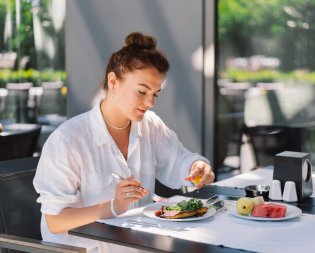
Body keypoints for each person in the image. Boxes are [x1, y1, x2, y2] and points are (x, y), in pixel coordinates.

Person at [33, 32, 215, 253]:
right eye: (142, 91)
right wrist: (112, 206)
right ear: (113, 81)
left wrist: (196, 166)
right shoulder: (67, 140)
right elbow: (55, 221)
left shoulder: (150, 125)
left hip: (137, 244)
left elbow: (179, 161)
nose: (150, 102)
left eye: (155, 94)